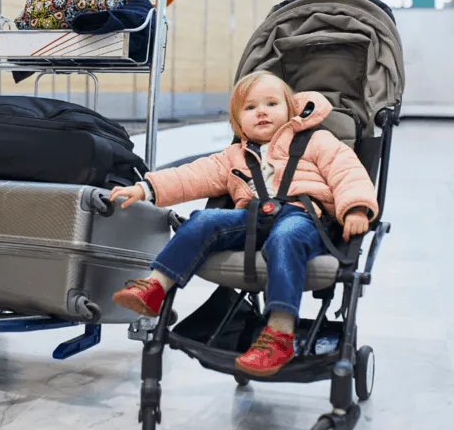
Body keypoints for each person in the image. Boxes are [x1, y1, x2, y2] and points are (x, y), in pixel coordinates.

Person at [111, 71, 378, 377]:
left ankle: (279, 333)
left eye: (271, 103)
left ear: (291, 109)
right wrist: (145, 188)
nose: (261, 111)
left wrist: (356, 209)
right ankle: (155, 287)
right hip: (251, 219)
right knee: (204, 219)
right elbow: (191, 175)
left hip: (302, 217)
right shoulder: (234, 156)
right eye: (250, 108)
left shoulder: (316, 140)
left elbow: (347, 172)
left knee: (286, 237)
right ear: (238, 122)